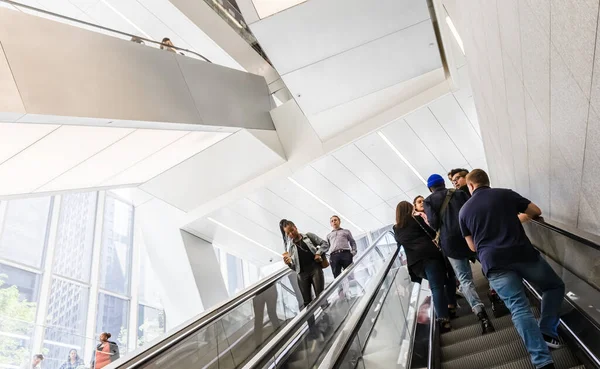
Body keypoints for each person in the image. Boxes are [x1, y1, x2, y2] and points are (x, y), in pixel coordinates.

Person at [459, 169, 565, 369]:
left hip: (493, 263)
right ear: (487, 181)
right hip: (522, 254)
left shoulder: (464, 211)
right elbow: (535, 211)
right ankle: (548, 331)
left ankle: (543, 362)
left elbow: (472, 247)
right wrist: (514, 220)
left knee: (519, 308)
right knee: (554, 287)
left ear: (471, 185)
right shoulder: (505, 194)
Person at [423, 173, 494, 334]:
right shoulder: (459, 193)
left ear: (430, 188)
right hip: (470, 236)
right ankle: (496, 292)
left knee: (464, 279)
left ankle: (482, 315)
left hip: (450, 243)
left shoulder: (429, 201)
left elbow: (433, 224)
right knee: (489, 264)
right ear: (443, 183)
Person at [394, 201, 456, 332]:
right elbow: (431, 232)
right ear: (410, 209)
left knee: (437, 284)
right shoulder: (416, 219)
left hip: (415, 263)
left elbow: (399, 241)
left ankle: (446, 312)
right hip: (430, 256)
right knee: (437, 286)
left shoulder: (396, 228)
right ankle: (444, 317)